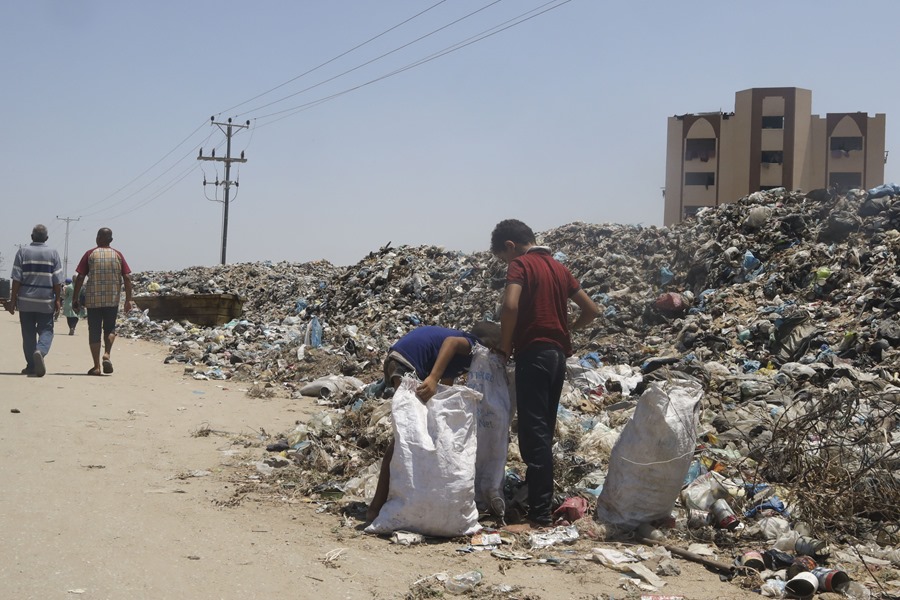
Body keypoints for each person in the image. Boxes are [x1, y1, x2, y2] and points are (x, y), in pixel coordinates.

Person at [490, 219, 600, 526]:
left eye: (504, 258)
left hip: (533, 355)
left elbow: (510, 306)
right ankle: (542, 504)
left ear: (510, 247)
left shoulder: (521, 266)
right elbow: (592, 311)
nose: (506, 264)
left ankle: (539, 515)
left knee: (533, 434)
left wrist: (505, 346)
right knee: (544, 432)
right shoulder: (559, 268)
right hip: (556, 358)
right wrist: (566, 330)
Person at [366, 321, 502, 522]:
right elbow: (451, 343)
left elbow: (446, 383)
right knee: (405, 436)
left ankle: (399, 502)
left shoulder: (463, 360)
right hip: (408, 364)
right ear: (489, 346)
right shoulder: (472, 346)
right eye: (497, 352)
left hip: (403, 360)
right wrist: (432, 378)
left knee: (413, 433)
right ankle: (376, 507)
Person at [72, 228, 134, 376]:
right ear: (111, 240)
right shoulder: (118, 255)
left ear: (98, 238)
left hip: (93, 300)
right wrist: (129, 300)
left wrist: (75, 298)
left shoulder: (90, 254)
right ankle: (107, 353)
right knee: (110, 329)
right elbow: (127, 278)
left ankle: (96, 366)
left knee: (94, 331)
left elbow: (80, 277)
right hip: (112, 300)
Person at [6, 224, 64, 377]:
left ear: (32, 237)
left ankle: (31, 366)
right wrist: (58, 299)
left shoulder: (22, 252)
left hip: (25, 300)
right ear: (46, 238)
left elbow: (16, 278)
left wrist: (13, 301)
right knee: (46, 330)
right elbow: (57, 280)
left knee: (28, 333)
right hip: (45, 301)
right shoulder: (53, 253)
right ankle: (41, 351)